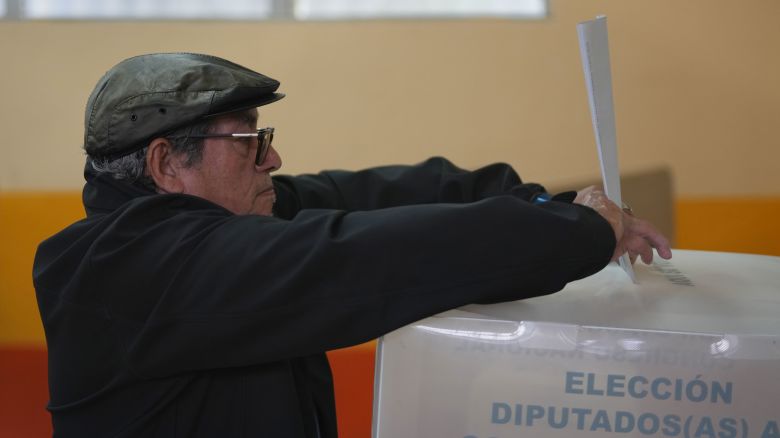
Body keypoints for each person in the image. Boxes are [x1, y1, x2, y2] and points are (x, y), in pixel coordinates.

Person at [33, 52, 671, 438]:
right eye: (247, 140)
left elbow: (374, 197)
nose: (273, 158)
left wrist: (546, 204)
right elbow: (362, 255)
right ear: (167, 163)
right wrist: (582, 233)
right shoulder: (129, 266)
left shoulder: (221, 224)